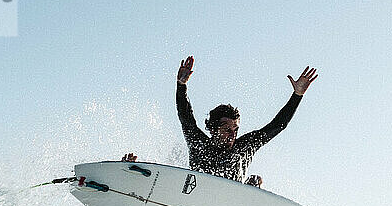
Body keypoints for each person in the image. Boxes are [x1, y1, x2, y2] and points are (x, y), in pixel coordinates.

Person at [122, 56, 318, 187]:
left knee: (255, 181)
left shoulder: (245, 146)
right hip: (197, 195)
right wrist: (181, 86)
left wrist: (297, 95)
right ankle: (132, 176)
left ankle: (250, 192)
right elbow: (186, 117)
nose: (233, 133)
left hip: (234, 201)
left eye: (235, 128)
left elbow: (278, 126)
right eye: (226, 128)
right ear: (213, 128)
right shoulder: (199, 144)